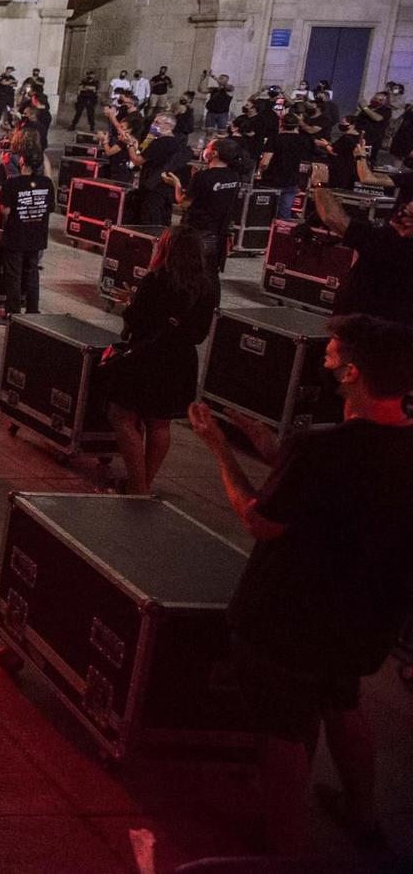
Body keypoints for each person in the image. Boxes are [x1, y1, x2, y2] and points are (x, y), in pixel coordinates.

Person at [184, 316, 413, 857]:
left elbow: (261, 521)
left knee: (283, 729)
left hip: (289, 620)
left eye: (333, 356)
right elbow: (350, 488)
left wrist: (218, 448)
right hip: (365, 621)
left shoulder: (321, 449)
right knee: (343, 700)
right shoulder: (385, 448)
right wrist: (275, 450)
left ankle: (285, 847)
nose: (326, 362)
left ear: (355, 372)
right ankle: (364, 819)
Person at [94, 227, 217, 495]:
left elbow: (138, 320)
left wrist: (130, 303)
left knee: (122, 415)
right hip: (181, 360)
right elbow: (199, 333)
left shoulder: (158, 279)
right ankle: (143, 484)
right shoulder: (208, 286)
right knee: (160, 423)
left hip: (149, 358)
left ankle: (137, 485)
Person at [309, 180, 413, 325]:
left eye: (405, 214)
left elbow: (332, 218)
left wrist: (320, 184)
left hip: (364, 329)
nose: (398, 214)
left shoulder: (392, 244)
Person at [172, 135, 246, 286]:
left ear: (215, 153)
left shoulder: (203, 176)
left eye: (208, 147)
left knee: (189, 270)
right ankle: (211, 306)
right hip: (218, 232)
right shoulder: (234, 176)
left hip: (197, 231)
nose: (205, 150)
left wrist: (176, 185)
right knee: (211, 273)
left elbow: (184, 203)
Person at [0, 141, 53, 318]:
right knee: (32, 272)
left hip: (16, 235)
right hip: (37, 235)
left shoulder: (13, 184)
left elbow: (5, 210)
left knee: (14, 274)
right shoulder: (47, 183)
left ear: (21, 161)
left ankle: (12, 313)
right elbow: (49, 208)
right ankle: (33, 310)